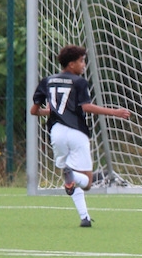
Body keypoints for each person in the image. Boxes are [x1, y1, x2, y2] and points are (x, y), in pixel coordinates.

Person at [30, 45, 132, 227]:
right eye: (81, 61)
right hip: (76, 132)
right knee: (86, 182)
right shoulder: (79, 82)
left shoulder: (47, 81)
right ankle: (72, 176)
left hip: (56, 132)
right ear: (71, 64)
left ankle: (84, 217)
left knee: (70, 176)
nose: (84, 65)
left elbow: (34, 111)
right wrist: (114, 112)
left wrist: (52, 112)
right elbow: (86, 107)